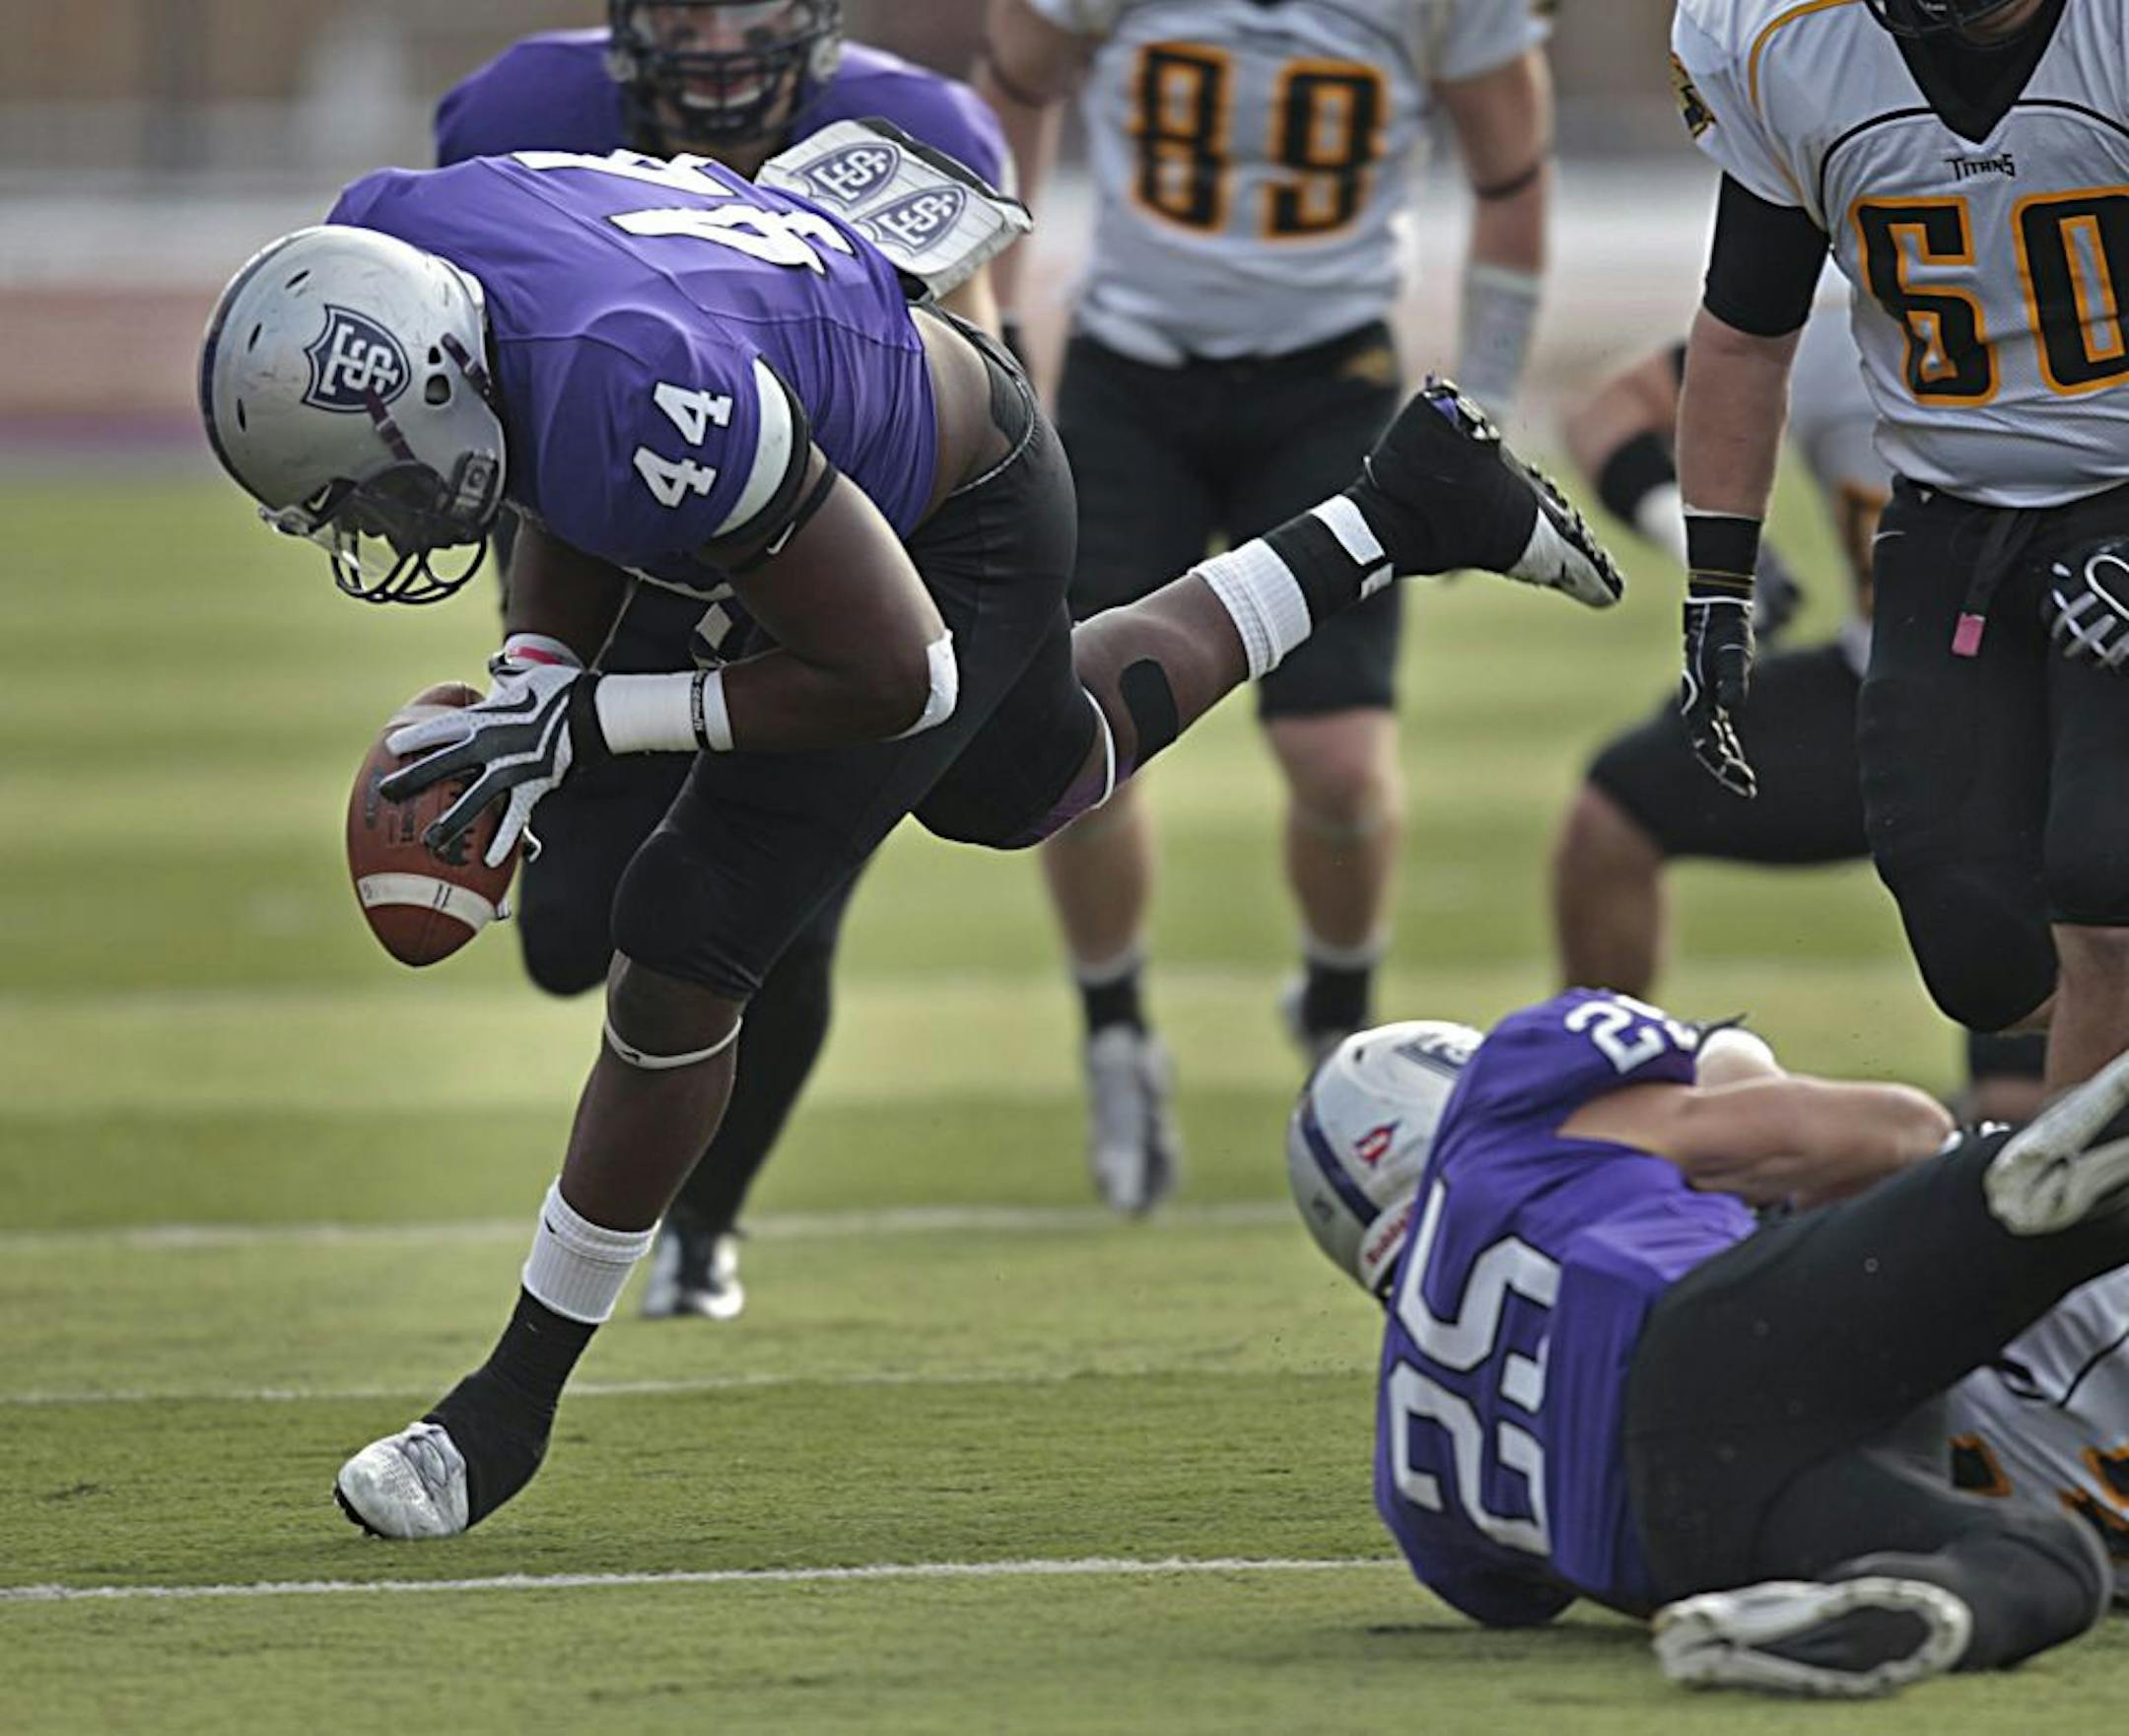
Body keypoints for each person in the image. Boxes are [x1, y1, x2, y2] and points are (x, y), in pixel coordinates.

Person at [196, 145, 1621, 1539]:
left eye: (366, 490)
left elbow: (897, 676)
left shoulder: (628, 387)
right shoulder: (394, 243)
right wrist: (527, 674)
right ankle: (1407, 504)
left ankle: (497, 1416)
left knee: (685, 933)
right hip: (787, 420)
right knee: (1030, 776)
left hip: (950, 509)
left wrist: (580, 720)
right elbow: (548, 448)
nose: (368, 524)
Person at [433, 0, 1013, 1322]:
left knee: (768, 926)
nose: (711, 39)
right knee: (573, 933)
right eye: (681, 8)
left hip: (833, 559)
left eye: (743, 6)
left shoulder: (911, 129)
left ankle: (706, 1222)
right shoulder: (523, 109)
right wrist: (531, 660)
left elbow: (984, 361)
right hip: (616, 532)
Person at [975, 0, 1555, 1210]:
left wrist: (1482, 404)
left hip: (1329, 387)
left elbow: (1514, 169)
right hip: (1130, 381)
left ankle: (1338, 1013)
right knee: (1073, 742)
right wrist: (1005, 310)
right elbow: (1010, 87)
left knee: (1338, 767)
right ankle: (1116, 1029)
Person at [1287, 999, 2129, 1695]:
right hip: (1708, 1341)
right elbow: (1894, 1129)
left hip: (1698, 1539)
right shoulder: (1511, 1113)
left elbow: (1513, 1594)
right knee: (2002, 1186)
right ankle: (2054, 1178)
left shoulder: (1417, 1498)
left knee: (2049, 1562)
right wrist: (1730, 1072)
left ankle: (1925, 1609)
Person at [1667, 0, 2129, 1098]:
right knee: (1978, 950)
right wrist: (1716, 592)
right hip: (1951, 512)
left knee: (2109, 903)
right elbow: (1743, 333)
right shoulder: (1782, 39)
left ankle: (2084, 1257)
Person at [1552, 312, 2047, 1123]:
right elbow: (1609, 412)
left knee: (2023, 1101)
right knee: (1612, 817)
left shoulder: (2071, 327)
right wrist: (1707, 551)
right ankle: (1592, 1108)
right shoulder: (1830, 329)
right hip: (1888, 685)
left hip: (2060, 707)